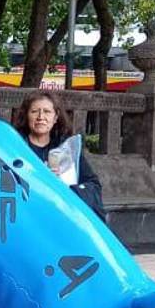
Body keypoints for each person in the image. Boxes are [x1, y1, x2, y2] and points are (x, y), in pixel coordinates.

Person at [11, 91, 106, 220]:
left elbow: (93, 185)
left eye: (47, 112)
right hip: (28, 218)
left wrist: (64, 185)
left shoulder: (66, 148)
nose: (40, 117)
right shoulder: (15, 146)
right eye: (34, 111)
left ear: (56, 117)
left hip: (62, 218)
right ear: (26, 116)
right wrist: (38, 175)